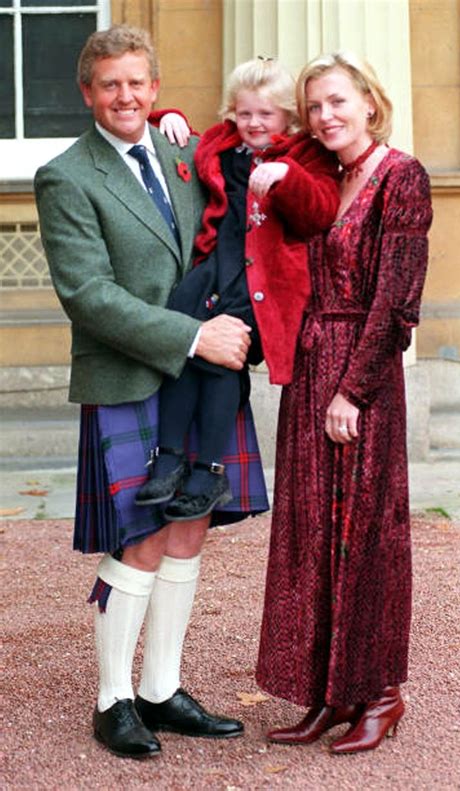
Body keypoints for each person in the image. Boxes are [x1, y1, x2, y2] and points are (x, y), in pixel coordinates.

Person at [34, 25, 268, 760]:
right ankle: (113, 700)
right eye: (110, 85)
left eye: (137, 83)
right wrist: (194, 336)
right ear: (87, 94)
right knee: (138, 535)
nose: (125, 96)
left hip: (205, 378)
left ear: (156, 89)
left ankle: (162, 688)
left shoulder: (182, 150)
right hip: (133, 370)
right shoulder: (66, 176)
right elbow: (86, 294)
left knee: (190, 524)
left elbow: (251, 163)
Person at [255, 52, 433, 754]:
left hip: (362, 377)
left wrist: (351, 392)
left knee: (367, 538)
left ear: (367, 101)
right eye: (315, 106)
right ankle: (329, 693)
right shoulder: (322, 177)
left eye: (337, 102)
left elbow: (396, 299)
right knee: (311, 538)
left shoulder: (402, 176)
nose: (325, 116)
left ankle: (381, 694)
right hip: (307, 367)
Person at [134, 57, 340, 522]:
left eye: (265, 115)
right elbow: (164, 126)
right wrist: (168, 118)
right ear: (232, 113)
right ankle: (168, 458)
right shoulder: (224, 144)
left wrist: (289, 179)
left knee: (225, 354)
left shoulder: (306, 157)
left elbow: (320, 210)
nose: (253, 124)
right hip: (215, 268)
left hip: (263, 285)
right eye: (244, 113)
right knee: (186, 340)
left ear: (288, 116)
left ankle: (208, 470)